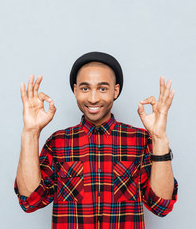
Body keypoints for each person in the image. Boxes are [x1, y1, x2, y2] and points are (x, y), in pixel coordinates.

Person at [14, 52, 178, 229]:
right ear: (75, 90)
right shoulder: (57, 143)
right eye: (85, 88)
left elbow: (161, 205)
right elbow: (30, 201)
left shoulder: (140, 141)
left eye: (102, 88)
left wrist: (160, 138)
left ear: (115, 91)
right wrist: (30, 132)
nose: (93, 98)